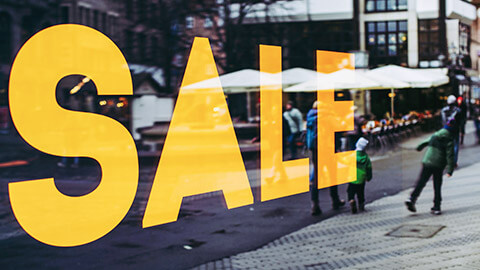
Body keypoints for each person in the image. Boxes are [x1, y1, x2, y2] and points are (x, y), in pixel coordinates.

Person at [405, 119, 456, 215]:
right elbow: (450, 155)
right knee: (437, 185)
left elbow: (425, 141)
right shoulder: (449, 139)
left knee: (422, 181)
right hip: (438, 164)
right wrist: (450, 170)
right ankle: (436, 207)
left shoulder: (436, 134)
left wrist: (419, 147)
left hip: (427, 161)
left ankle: (412, 198)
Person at [306, 101, 345, 216]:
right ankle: (335, 200)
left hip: (315, 149)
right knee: (333, 175)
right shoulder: (329, 116)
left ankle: (315, 205)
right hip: (328, 148)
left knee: (316, 177)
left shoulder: (310, 117)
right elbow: (338, 132)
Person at [348, 138, 372, 214]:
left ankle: (351, 200)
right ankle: (361, 205)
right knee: (360, 193)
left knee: (350, 191)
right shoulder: (366, 157)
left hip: (352, 178)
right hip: (362, 178)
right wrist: (369, 177)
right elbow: (369, 168)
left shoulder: (352, 155)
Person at [441, 95, 461, 165]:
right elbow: (460, 121)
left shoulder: (443, 110)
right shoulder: (457, 110)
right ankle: (454, 161)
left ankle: (447, 161)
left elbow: (443, 121)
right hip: (455, 130)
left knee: (447, 146)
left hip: (446, 129)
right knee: (455, 145)